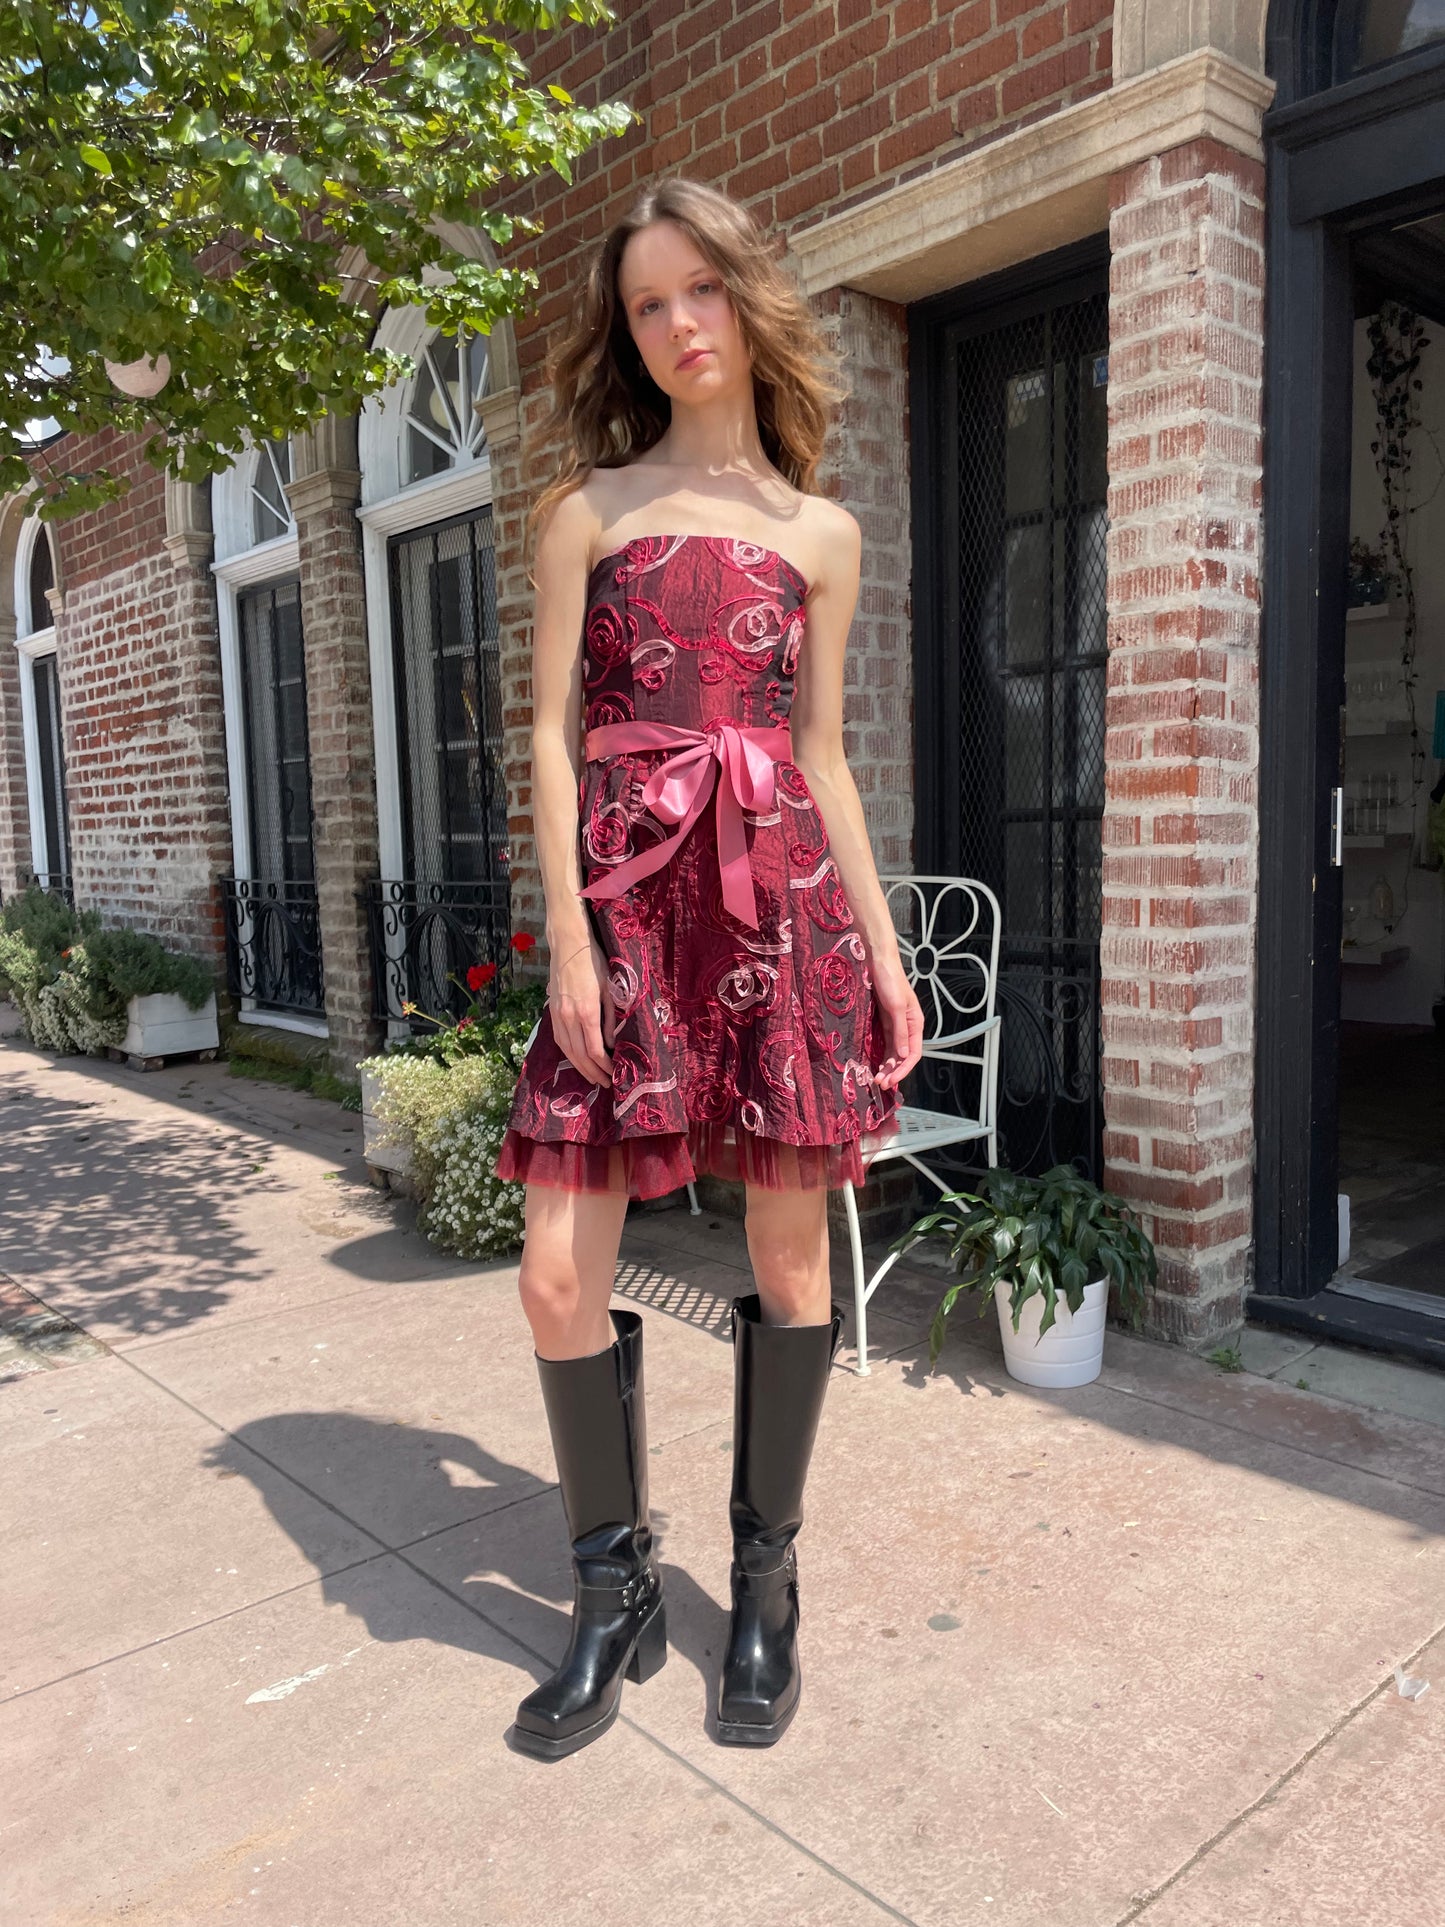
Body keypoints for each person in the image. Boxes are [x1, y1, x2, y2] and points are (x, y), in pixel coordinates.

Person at [493, 175, 925, 1760]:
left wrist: (880, 958)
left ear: (748, 297)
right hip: (627, 905)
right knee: (555, 1273)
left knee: (791, 1265)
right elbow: (544, 733)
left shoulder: (821, 532)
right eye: (646, 303)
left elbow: (821, 756)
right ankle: (611, 1594)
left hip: (776, 911)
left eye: (700, 291)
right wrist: (567, 937)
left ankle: (763, 1589)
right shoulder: (586, 512)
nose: (678, 325)